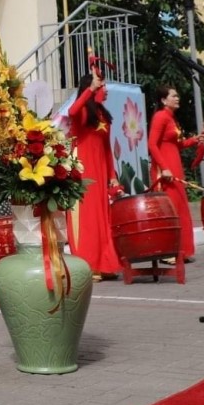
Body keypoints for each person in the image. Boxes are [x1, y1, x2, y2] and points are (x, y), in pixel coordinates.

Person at [67, 71, 122, 279]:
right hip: (82, 171)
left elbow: (107, 149)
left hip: (99, 172)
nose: (105, 89)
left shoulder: (103, 115)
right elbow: (71, 111)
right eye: (102, 85)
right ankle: (87, 265)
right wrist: (90, 89)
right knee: (87, 219)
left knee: (102, 219)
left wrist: (112, 176)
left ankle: (104, 263)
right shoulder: (82, 112)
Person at [147, 85, 204, 263]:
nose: (177, 98)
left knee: (179, 207)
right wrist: (164, 167)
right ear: (164, 100)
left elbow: (177, 145)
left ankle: (181, 250)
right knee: (169, 209)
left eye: (177, 95)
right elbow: (152, 144)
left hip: (174, 165)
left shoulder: (171, 119)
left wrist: (194, 140)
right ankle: (167, 251)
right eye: (173, 96)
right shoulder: (160, 116)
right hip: (165, 169)